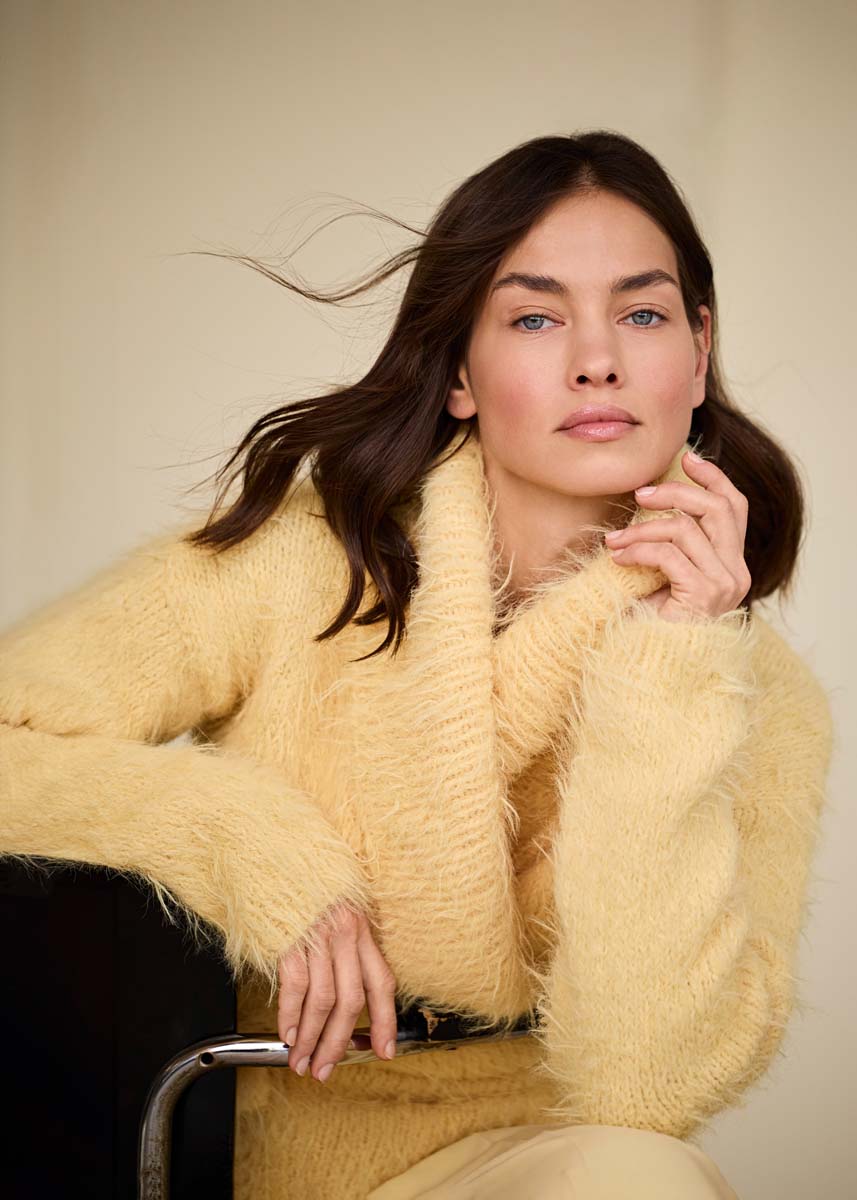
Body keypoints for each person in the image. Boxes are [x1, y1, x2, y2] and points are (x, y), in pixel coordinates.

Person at [0, 131, 834, 1199]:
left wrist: (671, 664)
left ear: (698, 351)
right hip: (261, 1145)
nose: (597, 361)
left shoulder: (752, 691)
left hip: (535, 1162)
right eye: (534, 318)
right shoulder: (301, 562)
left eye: (641, 314)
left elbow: (645, 1088)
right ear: (458, 374)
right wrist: (255, 850)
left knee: (643, 1175)